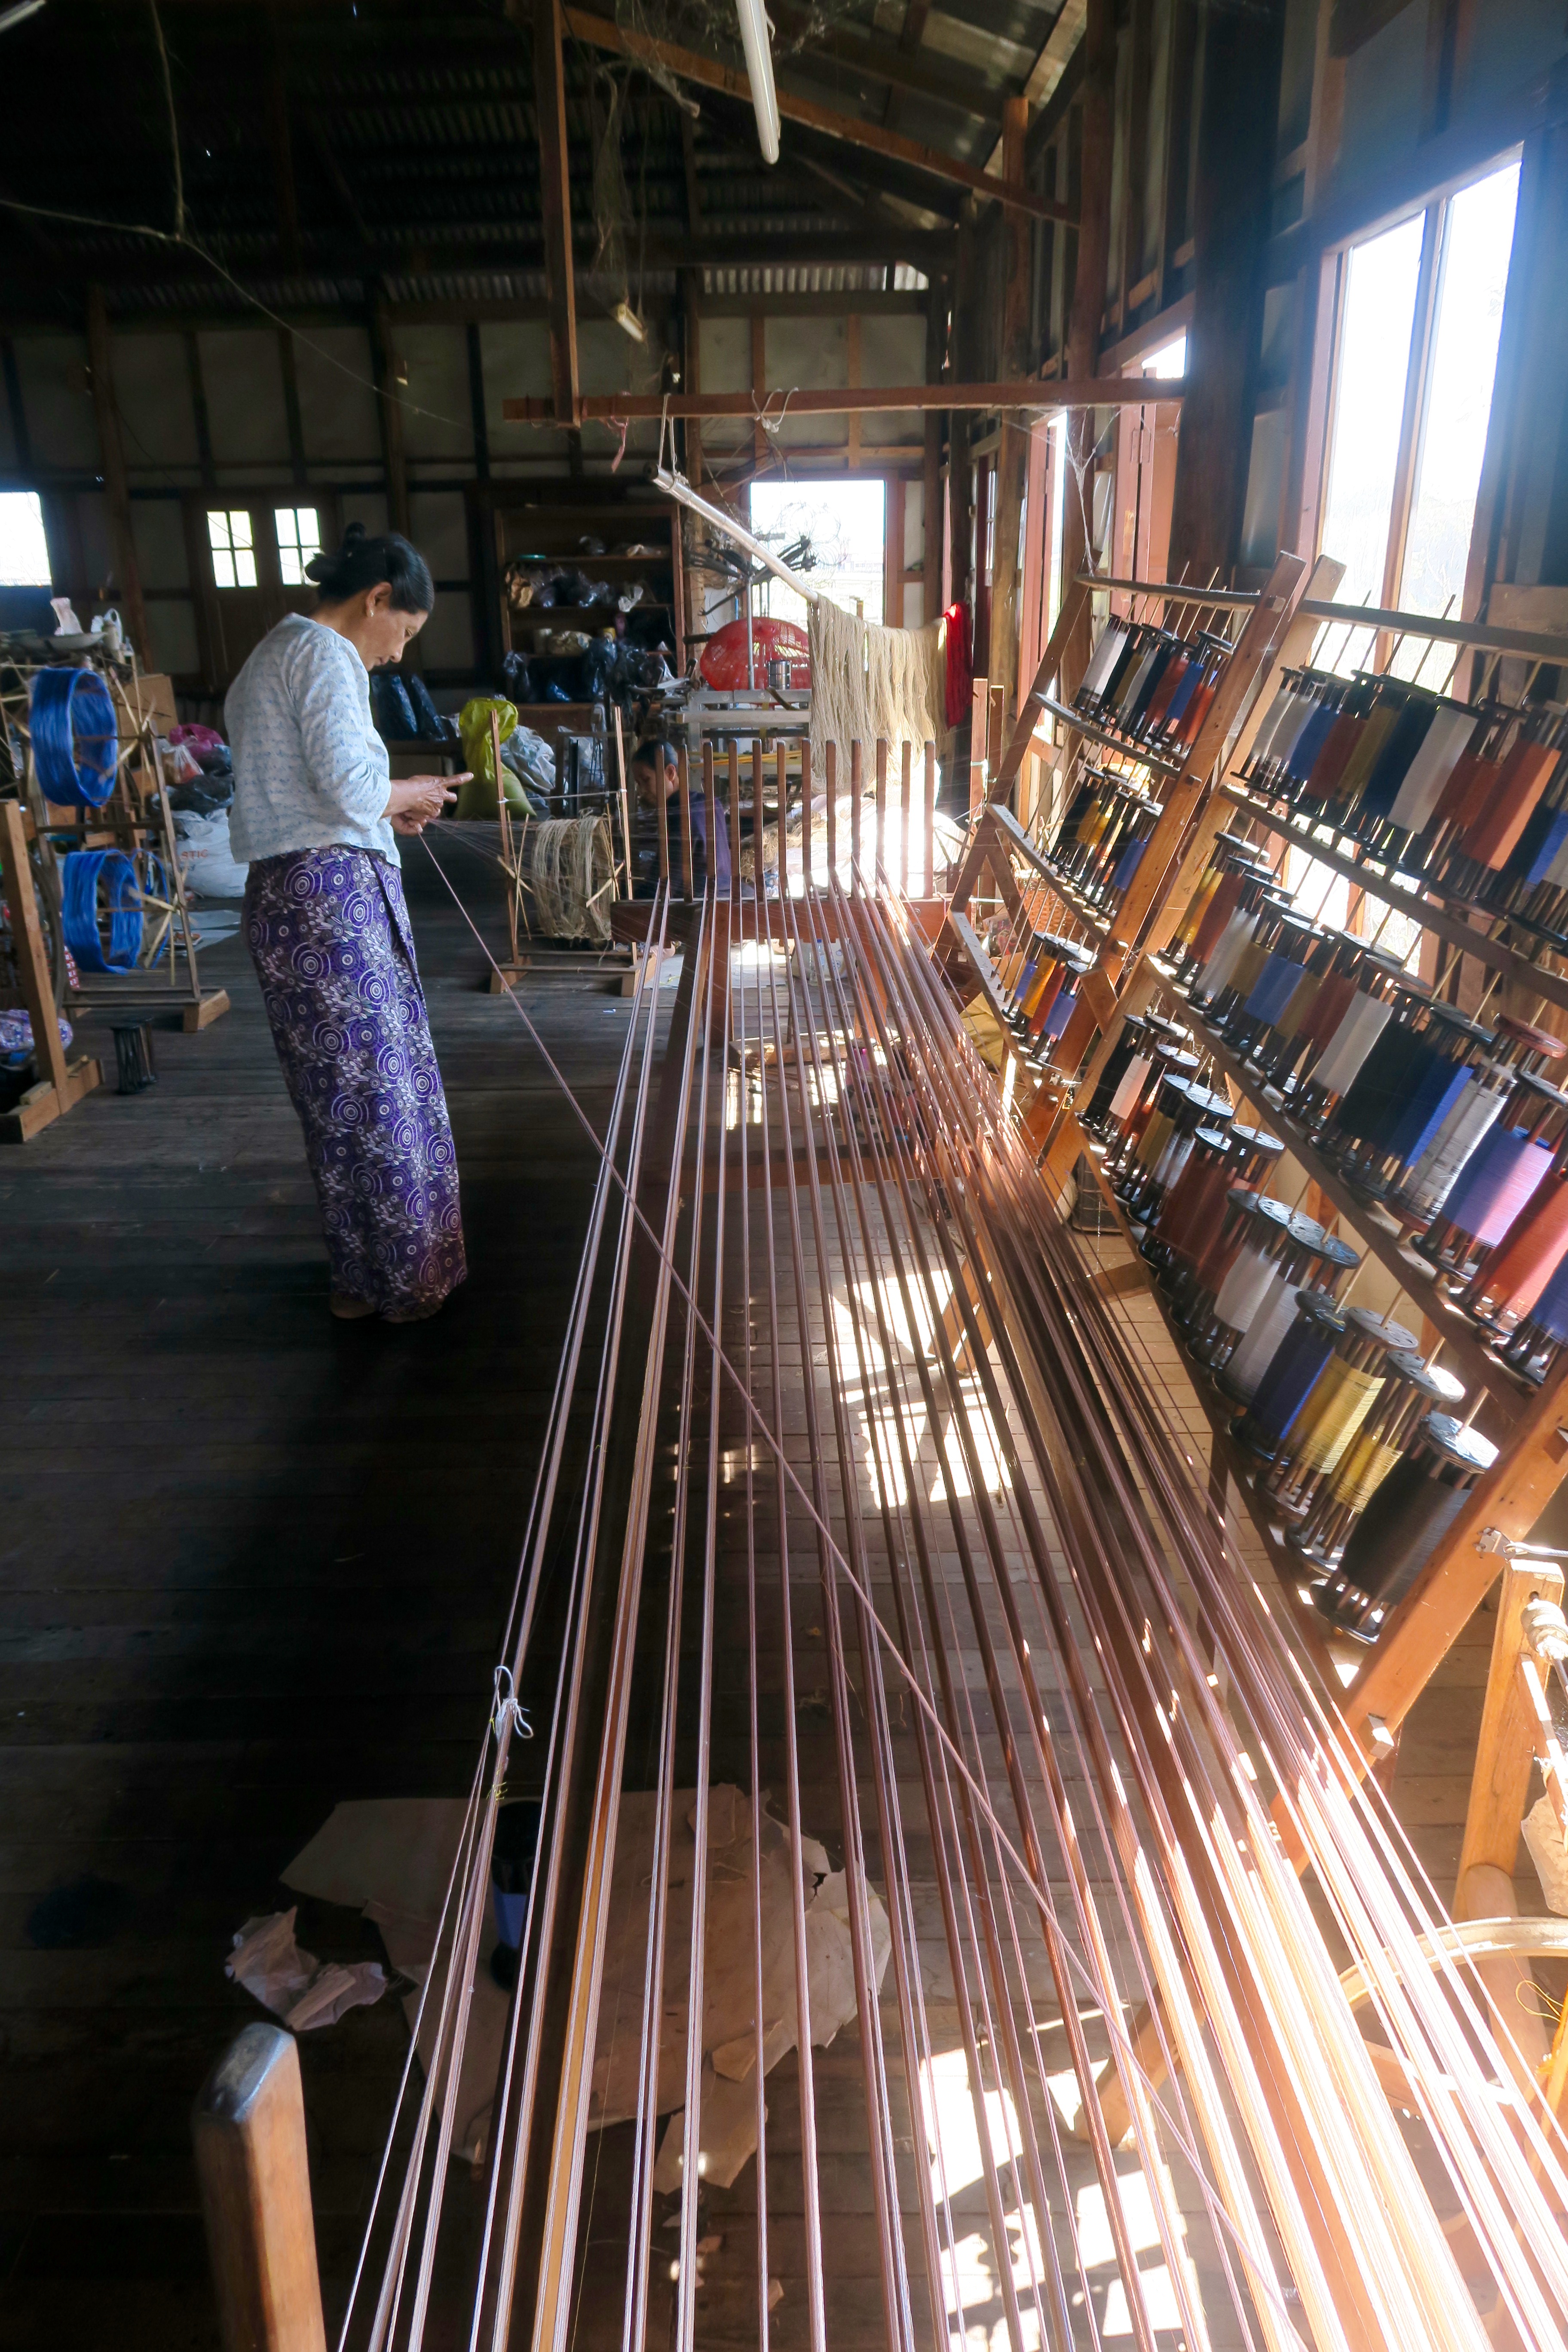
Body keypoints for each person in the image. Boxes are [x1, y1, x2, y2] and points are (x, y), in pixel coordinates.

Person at [227, 523, 472, 1324]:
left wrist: (387, 812)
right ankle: (408, 1283)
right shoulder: (327, 655)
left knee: (334, 1095)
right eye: (404, 631)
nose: (397, 653)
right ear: (377, 599)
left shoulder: (270, 654)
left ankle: (360, 1279)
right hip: (333, 904)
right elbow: (351, 785)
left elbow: (315, 794)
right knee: (380, 1086)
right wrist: (410, 792)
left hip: (286, 896)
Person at [629, 738, 731, 897]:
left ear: (671, 773)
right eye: (639, 784)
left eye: (646, 780)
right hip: (727, 899)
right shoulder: (712, 803)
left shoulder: (679, 816)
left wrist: (626, 896)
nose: (642, 791)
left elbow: (662, 888)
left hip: (702, 906)